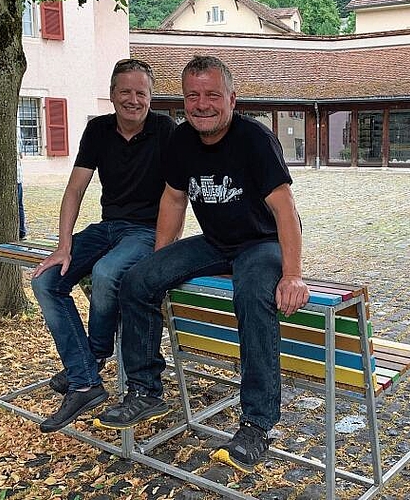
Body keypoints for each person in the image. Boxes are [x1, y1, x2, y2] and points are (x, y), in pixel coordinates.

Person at [95, 55, 309, 473]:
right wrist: (160, 259)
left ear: (232, 98)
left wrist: (292, 273)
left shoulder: (255, 139)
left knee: (251, 293)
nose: (202, 104)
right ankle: (145, 390)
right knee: (138, 280)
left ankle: (257, 424)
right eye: (193, 96)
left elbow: (286, 210)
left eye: (212, 94)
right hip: (215, 242)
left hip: (260, 244)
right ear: (183, 100)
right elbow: (174, 199)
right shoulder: (181, 141)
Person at [31, 59, 176, 433]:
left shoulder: (165, 130)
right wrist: (64, 245)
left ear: (150, 96)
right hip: (107, 227)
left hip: (144, 231)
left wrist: (164, 247)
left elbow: (178, 194)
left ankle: (92, 356)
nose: (133, 99)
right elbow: (75, 189)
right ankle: (85, 379)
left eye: (140, 92)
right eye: (125, 92)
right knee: (46, 281)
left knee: (107, 271)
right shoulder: (97, 130)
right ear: (112, 95)